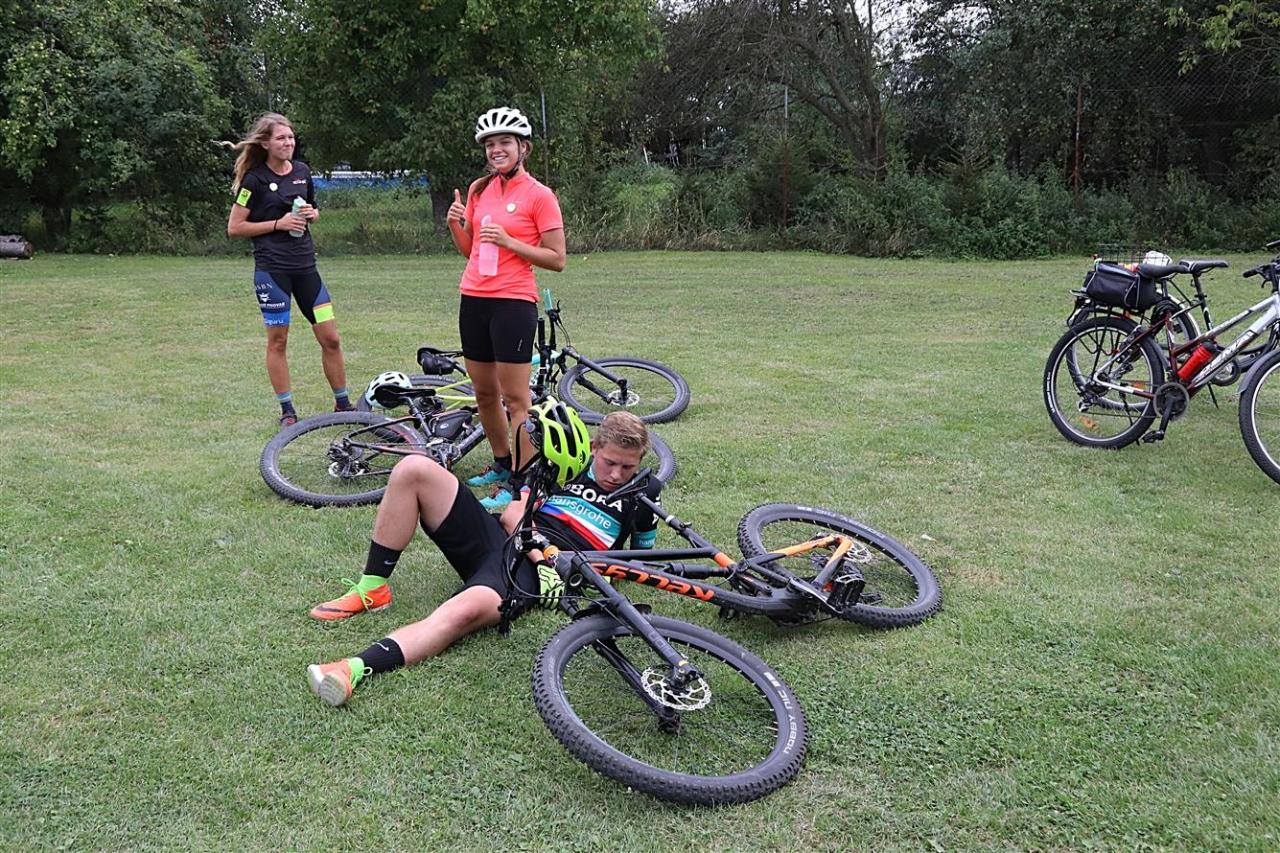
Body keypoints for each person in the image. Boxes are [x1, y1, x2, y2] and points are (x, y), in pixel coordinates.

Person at [305, 404, 661, 708]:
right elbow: (512, 515)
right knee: (414, 469)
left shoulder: (646, 490)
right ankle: (373, 587)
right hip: (512, 541)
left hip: (533, 573)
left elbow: (639, 558)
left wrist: (592, 572)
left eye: (627, 467)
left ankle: (352, 668)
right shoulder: (567, 459)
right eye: (610, 462)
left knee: (463, 612)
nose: (616, 475)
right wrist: (540, 553)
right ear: (595, 447)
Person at [445, 106, 566, 510]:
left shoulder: (539, 195)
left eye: (504, 143)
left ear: (523, 148)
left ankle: (522, 478)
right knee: (484, 392)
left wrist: (511, 242)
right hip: (473, 297)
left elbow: (557, 258)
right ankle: (501, 463)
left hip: (513, 302)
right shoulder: (479, 189)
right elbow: (471, 251)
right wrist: (456, 224)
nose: (496, 150)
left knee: (516, 399)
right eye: (490, 144)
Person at [227, 112, 354, 428]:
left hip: (307, 271)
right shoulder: (254, 180)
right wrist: (277, 224)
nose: (288, 143)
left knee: (331, 337)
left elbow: (312, 208)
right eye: (281, 138)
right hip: (273, 273)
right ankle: (287, 411)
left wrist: (312, 214)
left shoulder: (302, 172)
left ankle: (343, 404)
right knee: (278, 341)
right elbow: (235, 227)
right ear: (266, 144)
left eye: (291, 137)